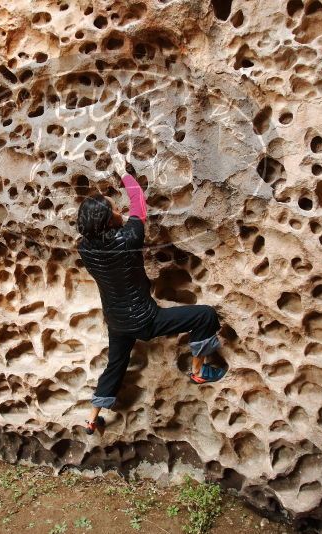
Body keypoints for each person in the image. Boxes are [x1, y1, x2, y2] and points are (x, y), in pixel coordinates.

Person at [76, 155, 226, 435]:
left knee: (115, 365)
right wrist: (125, 174)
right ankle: (198, 371)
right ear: (109, 220)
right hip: (145, 319)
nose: (118, 210)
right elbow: (138, 206)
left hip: (117, 321)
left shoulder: (85, 248)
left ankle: (92, 417)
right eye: (113, 209)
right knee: (205, 315)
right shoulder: (128, 238)